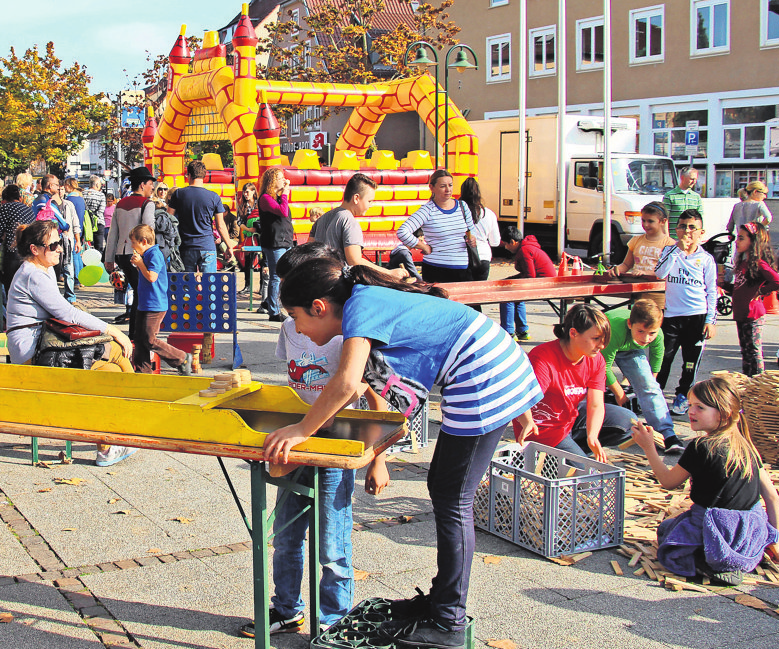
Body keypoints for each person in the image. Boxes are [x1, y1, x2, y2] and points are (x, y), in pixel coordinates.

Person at [264, 258, 541, 649]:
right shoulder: (363, 298)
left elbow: (345, 383)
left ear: (319, 306)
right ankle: (443, 602)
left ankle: (449, 621)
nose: (299, 329)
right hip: (493, 369)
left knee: (452, 498)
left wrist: (301, 429)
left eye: (296, 316)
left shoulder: (360, 308)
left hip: (482, 377)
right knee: (444, 490)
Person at [238, 242, 388, 638]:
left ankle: (334, 622)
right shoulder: (292, 328)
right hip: (297, 442)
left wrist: (379, 457)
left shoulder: (346, 333)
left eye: (292, 292)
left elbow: (374, 397)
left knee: (332, 543)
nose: (291, 311)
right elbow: (293, 383)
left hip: (335, 446)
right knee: (285, 535)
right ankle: (286, 609)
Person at [631, 376, 779, 585]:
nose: (690, 411)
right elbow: (773, 498)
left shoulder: (701, 446)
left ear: (724, 414)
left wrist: (648, 447)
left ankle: (705, 561)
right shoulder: (746, 445)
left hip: (715, 530)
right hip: (748, 535)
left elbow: (668, 482)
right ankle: (736, 559)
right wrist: (773, 540)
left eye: (700, 407)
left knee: (668, 531)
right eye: (691, 405)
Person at [5, 221, 135, 467]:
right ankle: (125, 428)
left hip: (46, 343)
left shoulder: (43, 268)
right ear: (34, 249)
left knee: (113, 367)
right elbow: (67, 313)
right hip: (34, 350)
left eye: (60, 243)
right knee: (114, 356)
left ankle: (122, 430)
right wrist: (113, 329)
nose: (60, 249)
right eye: (53, 244)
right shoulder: (33, 274)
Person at [515, 304, 636, 463]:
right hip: (544, 429)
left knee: (628, 421)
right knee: (587, 478)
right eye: (596, 339)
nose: (602, 346)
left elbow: (596, 404)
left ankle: (573, 449)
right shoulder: (544, 358)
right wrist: (527, 421)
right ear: (573, 333)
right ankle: (545, 457)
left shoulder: (595, 359)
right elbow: (522, 401)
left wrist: (592, 436)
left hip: (568, 417)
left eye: (604, 339)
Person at [654, 209, 718, 416]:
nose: (687, 231)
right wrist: (676, 251)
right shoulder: (669, 251)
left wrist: (710, 320)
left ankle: (683, 394)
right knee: (664, 357)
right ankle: (656, 394)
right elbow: (659, 273)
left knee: (690, 361)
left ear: (701, 232)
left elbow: (711, 291)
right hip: (672, 316)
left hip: (697, 317)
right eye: (682, 226)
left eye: (692, 227)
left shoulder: (706, 259)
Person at [600, 300, 683, 454]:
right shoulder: (616, 329)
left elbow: (657, 359)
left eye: (652, 333)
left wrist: (649, 386)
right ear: (630, 324)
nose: (646, 339)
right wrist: (619, 394)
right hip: (604, 342)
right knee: (590, 384)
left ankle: (667, 435)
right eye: (641, 331)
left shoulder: (655, 334)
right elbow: (603, 368)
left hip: (630, 346)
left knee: (649, 385)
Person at [311, 173, 408, 282]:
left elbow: (309, 251)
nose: (371, 205)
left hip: (318, 281)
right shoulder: (349, 221)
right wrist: (388, 273)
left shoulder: (321, 219)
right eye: (369, 201)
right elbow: (355, 260)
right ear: (356, 198)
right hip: (337, 284)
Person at [128, 224, 191, 375]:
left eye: (134, 243)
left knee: (150, 339)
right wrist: (138, 265)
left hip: (155, 304)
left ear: (144, 241)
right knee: (140, 338)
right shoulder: (147, 254)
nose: (132, 246)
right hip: (145, 303)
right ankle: (143, 370)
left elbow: (151, 277)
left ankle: (181, 358)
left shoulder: (154, 254)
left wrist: (140, 264)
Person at [724, 223, 779, 377]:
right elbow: (740, 288)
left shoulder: (759, 264)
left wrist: (761, 291)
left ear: (753, 242)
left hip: (753, 315)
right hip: (741, 314)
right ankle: (749, 381)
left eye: (741, 238)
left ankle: (758, 381)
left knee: (754, 352)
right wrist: (723, 285)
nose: (737, 241)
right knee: (745, 351)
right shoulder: (744, 263)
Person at [396, 169, 476, 284]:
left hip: (463, 267)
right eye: (443, 186)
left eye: (450, 185)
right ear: (432, 188)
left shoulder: (463, 206)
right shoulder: (427, 210)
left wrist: (472, 238)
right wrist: (423, 247)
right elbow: (402, 231)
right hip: (436, 269)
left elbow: (471, 229)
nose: (448, 190)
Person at [105, 167, 158, 329]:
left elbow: (113, 233)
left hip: (122, 253)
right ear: (142, 185)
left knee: (137, 291)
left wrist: (108, 258)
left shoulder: (120, 204)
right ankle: (137, 331)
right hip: (138, 254)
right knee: (141, 292)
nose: (152, 188)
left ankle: (136, 331)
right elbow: (148, 231)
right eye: (150, 184)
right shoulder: (147, 204)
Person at [169, 160, 234, 272]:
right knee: (209, 285)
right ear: (204, 176)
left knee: (187, 285)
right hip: (207, 246)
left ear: (188, 175)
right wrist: (229, 246)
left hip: (186, 246)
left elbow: (169, 218)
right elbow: (220, 225)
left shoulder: (178, 194)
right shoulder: (214, 197)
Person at [608, 201, 675, 309]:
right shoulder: (636, 240)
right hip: (637, 295)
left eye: (650, 221)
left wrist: (645, 273)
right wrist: (617, 270)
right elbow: (626, 264)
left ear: (663, 221)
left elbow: (669, 272)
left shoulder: (670, 244)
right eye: (643, 220)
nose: (645, 225)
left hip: (659, 298)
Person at [499, 226, 556, 341]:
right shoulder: (528, 247)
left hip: (543, 284)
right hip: (547, 282)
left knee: (506, 296)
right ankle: (522, 330)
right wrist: (510, 279)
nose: (505, 247)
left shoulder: (525, 250)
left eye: (506, 244)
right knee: (517, 297)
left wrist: (510, 281)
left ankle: (508, 331)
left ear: (513, 242)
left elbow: (530, 276)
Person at [257, 167, 293, 322]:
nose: (283, 180)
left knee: (285, 276)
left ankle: (270, 302)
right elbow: (283, 211)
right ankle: (274, 311)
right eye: (279, 178)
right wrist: (285, 194)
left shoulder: (277, 197)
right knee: (276, 276)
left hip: (285, 240)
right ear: (272, 181)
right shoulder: (265, 198)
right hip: (274, 242)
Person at [458, 177, 500, 283]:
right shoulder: (489, 214)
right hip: (483, 257)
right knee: (478, 292)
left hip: (460, 258)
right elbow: (495, 242)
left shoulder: (456, 212)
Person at [235, 182, 264, 299]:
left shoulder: (260, 204)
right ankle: (248, 285)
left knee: (262, 260)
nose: (246, 194)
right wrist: (248, 229)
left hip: (260, 236)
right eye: (244, 192)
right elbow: (239, 222)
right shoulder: (242, 206)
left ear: (253, 191)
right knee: (248, 260)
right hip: (248, 235)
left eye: (247, 192)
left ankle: (262, 287)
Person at [0, 185, 34, 253]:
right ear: (20, 198)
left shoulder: (6, 207)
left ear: (3, 200)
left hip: (13, 249)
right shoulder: (29, 210)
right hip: (28, 249)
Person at [662, 167, 703, 233]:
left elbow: (700, 219)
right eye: (692, 179)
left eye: (696, 179)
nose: (694, 182)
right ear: (682, 178)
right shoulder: (670, 196)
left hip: (691, 237)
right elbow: (664, 219)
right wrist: (667, 237)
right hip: (674, 237)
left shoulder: (696, 197)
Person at [152, 188, 184, 273]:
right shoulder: (166, 214)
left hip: (165, 246)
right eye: (160, 189)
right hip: (171, 245)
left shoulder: (160, 215)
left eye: (165, 189)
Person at [83, 176, 107, 254]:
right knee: (98, 246)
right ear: (96, 184)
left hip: (86, 223)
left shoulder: (83, 194)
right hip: (98, 222)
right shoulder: (101, 195)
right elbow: (101, 210)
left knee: (87, 245)